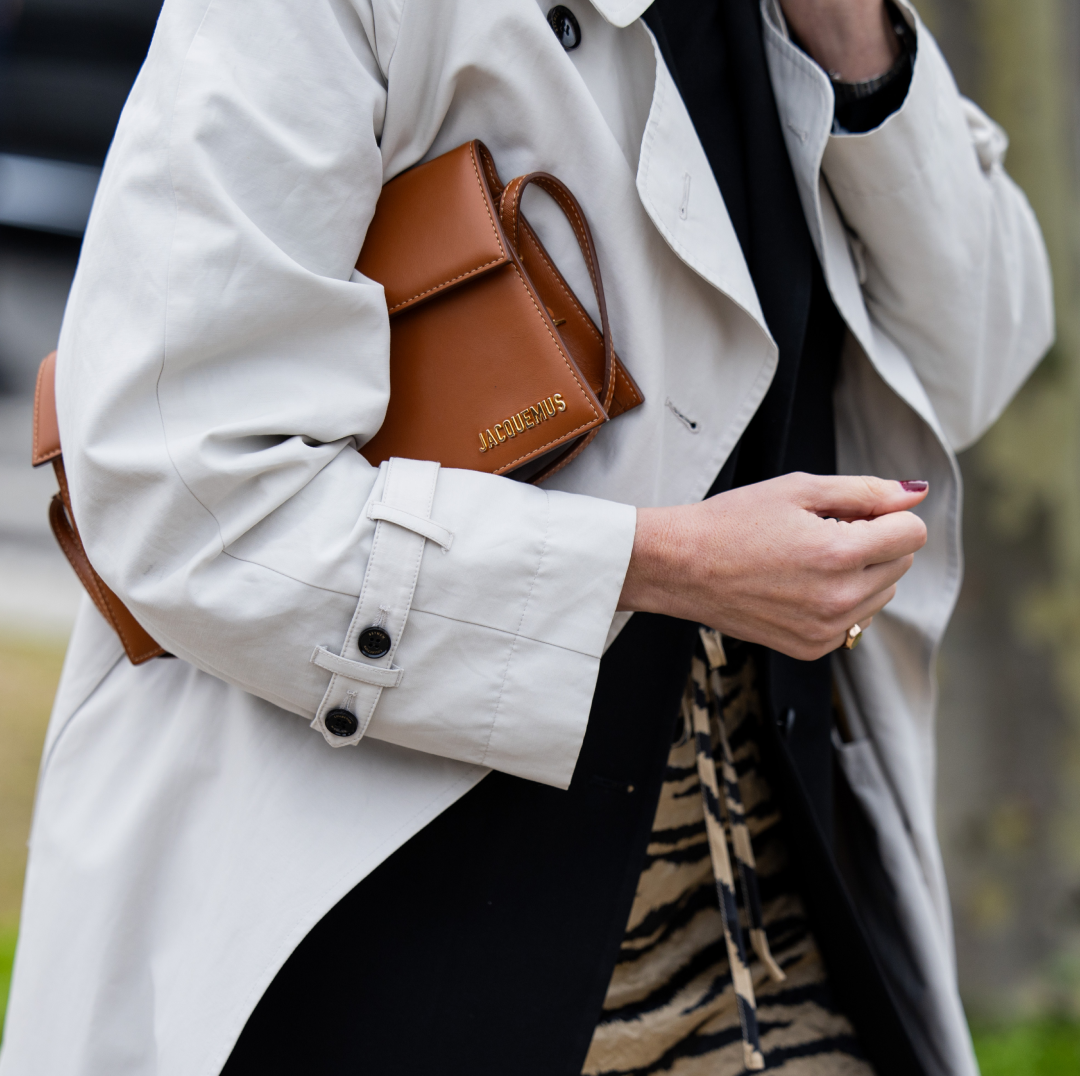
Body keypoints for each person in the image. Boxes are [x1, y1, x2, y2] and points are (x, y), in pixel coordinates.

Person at [0, 0, 1052, 1074]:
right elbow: (184, 490)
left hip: (760, 940)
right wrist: (661, 565)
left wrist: (851, 36)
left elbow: (975, 356)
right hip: (388, 928)